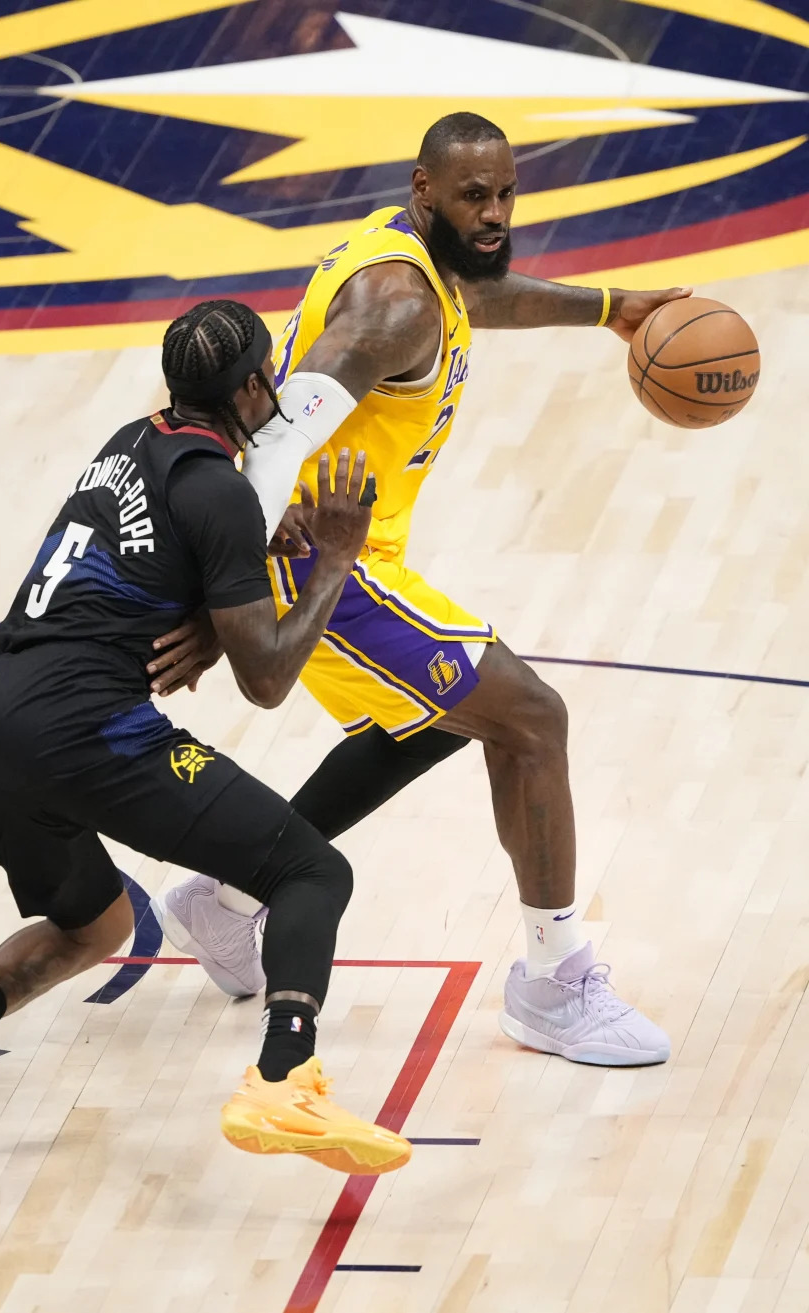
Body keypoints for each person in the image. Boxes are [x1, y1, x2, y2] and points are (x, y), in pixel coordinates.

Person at [153, 113, 685, 1066]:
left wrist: (614, 310)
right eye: (473, 196)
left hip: (357, 546)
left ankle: (229, 900)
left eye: (505, 193)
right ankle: (553, 984)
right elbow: (268, 444)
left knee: (437, 714)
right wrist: (212, 597)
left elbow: (479, 296)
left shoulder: (419, 257)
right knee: (530, 718)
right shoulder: (394, 305)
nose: (493, 214)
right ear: (424, 186)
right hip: (318, 555)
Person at [0, 299, 411, 1178]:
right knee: (312, 870)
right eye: (267, 376)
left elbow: (157, 553)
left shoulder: (129, 442)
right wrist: (337, 551)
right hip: (81, 724)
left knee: (96, 923)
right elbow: (266, 679)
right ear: (248, 388)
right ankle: (285, 1076)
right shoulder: (218, 489)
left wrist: (238, 573)